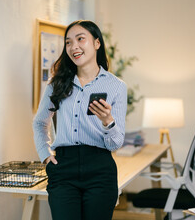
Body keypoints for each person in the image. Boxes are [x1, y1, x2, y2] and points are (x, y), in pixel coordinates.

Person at [33, 20, 127, 220]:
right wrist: (45, 154)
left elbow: (116, 143)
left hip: (100, 169)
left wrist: (107, 121)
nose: (73, 46)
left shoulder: (117, 86)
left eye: (80, 39)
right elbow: (40, 123)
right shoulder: (56, 84)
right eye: (68, 42)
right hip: (63, 168)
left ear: (96, 43)